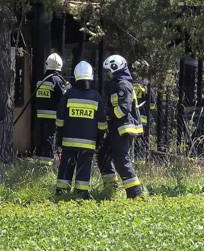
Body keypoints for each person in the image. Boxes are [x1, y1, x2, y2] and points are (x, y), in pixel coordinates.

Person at [54, 61, 107, 198]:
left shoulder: (68, 95)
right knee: (84, 167)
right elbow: (102, 123)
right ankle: (82, 193)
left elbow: (60, 119)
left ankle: (61, 192)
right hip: (88, 142)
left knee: (66, 166)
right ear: (91, 76)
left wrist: (59, 137)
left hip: (68, 141)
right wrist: (99, 140)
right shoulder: (96, 96)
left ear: (75, 76)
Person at [97, 54, 144, 198]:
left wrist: (107, 115)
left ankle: (135, 193)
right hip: (116, 128)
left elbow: (124, 108)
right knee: (103, 156)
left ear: (115, 68)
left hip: (124, 128)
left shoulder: (122, 84)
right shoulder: (117, 83)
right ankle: (111, 188)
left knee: (121, 160)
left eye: (109, 70)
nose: (108, 74)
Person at [33, 52, 68, 165]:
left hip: (39, 117)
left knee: (40, 141)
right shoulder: (57, 80)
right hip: (52, 118)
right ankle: (46, 167)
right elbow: (63, 98)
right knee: (49, 142)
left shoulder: (40, 80)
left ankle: (38, 164)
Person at [132, 60, 157, 160]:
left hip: (131, 117)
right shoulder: (146, 85)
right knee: (143, 140)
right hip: (143, 118)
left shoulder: (128, 83)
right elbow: (152, 104)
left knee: (133, 140)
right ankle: (142, 157)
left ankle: (135, 156)